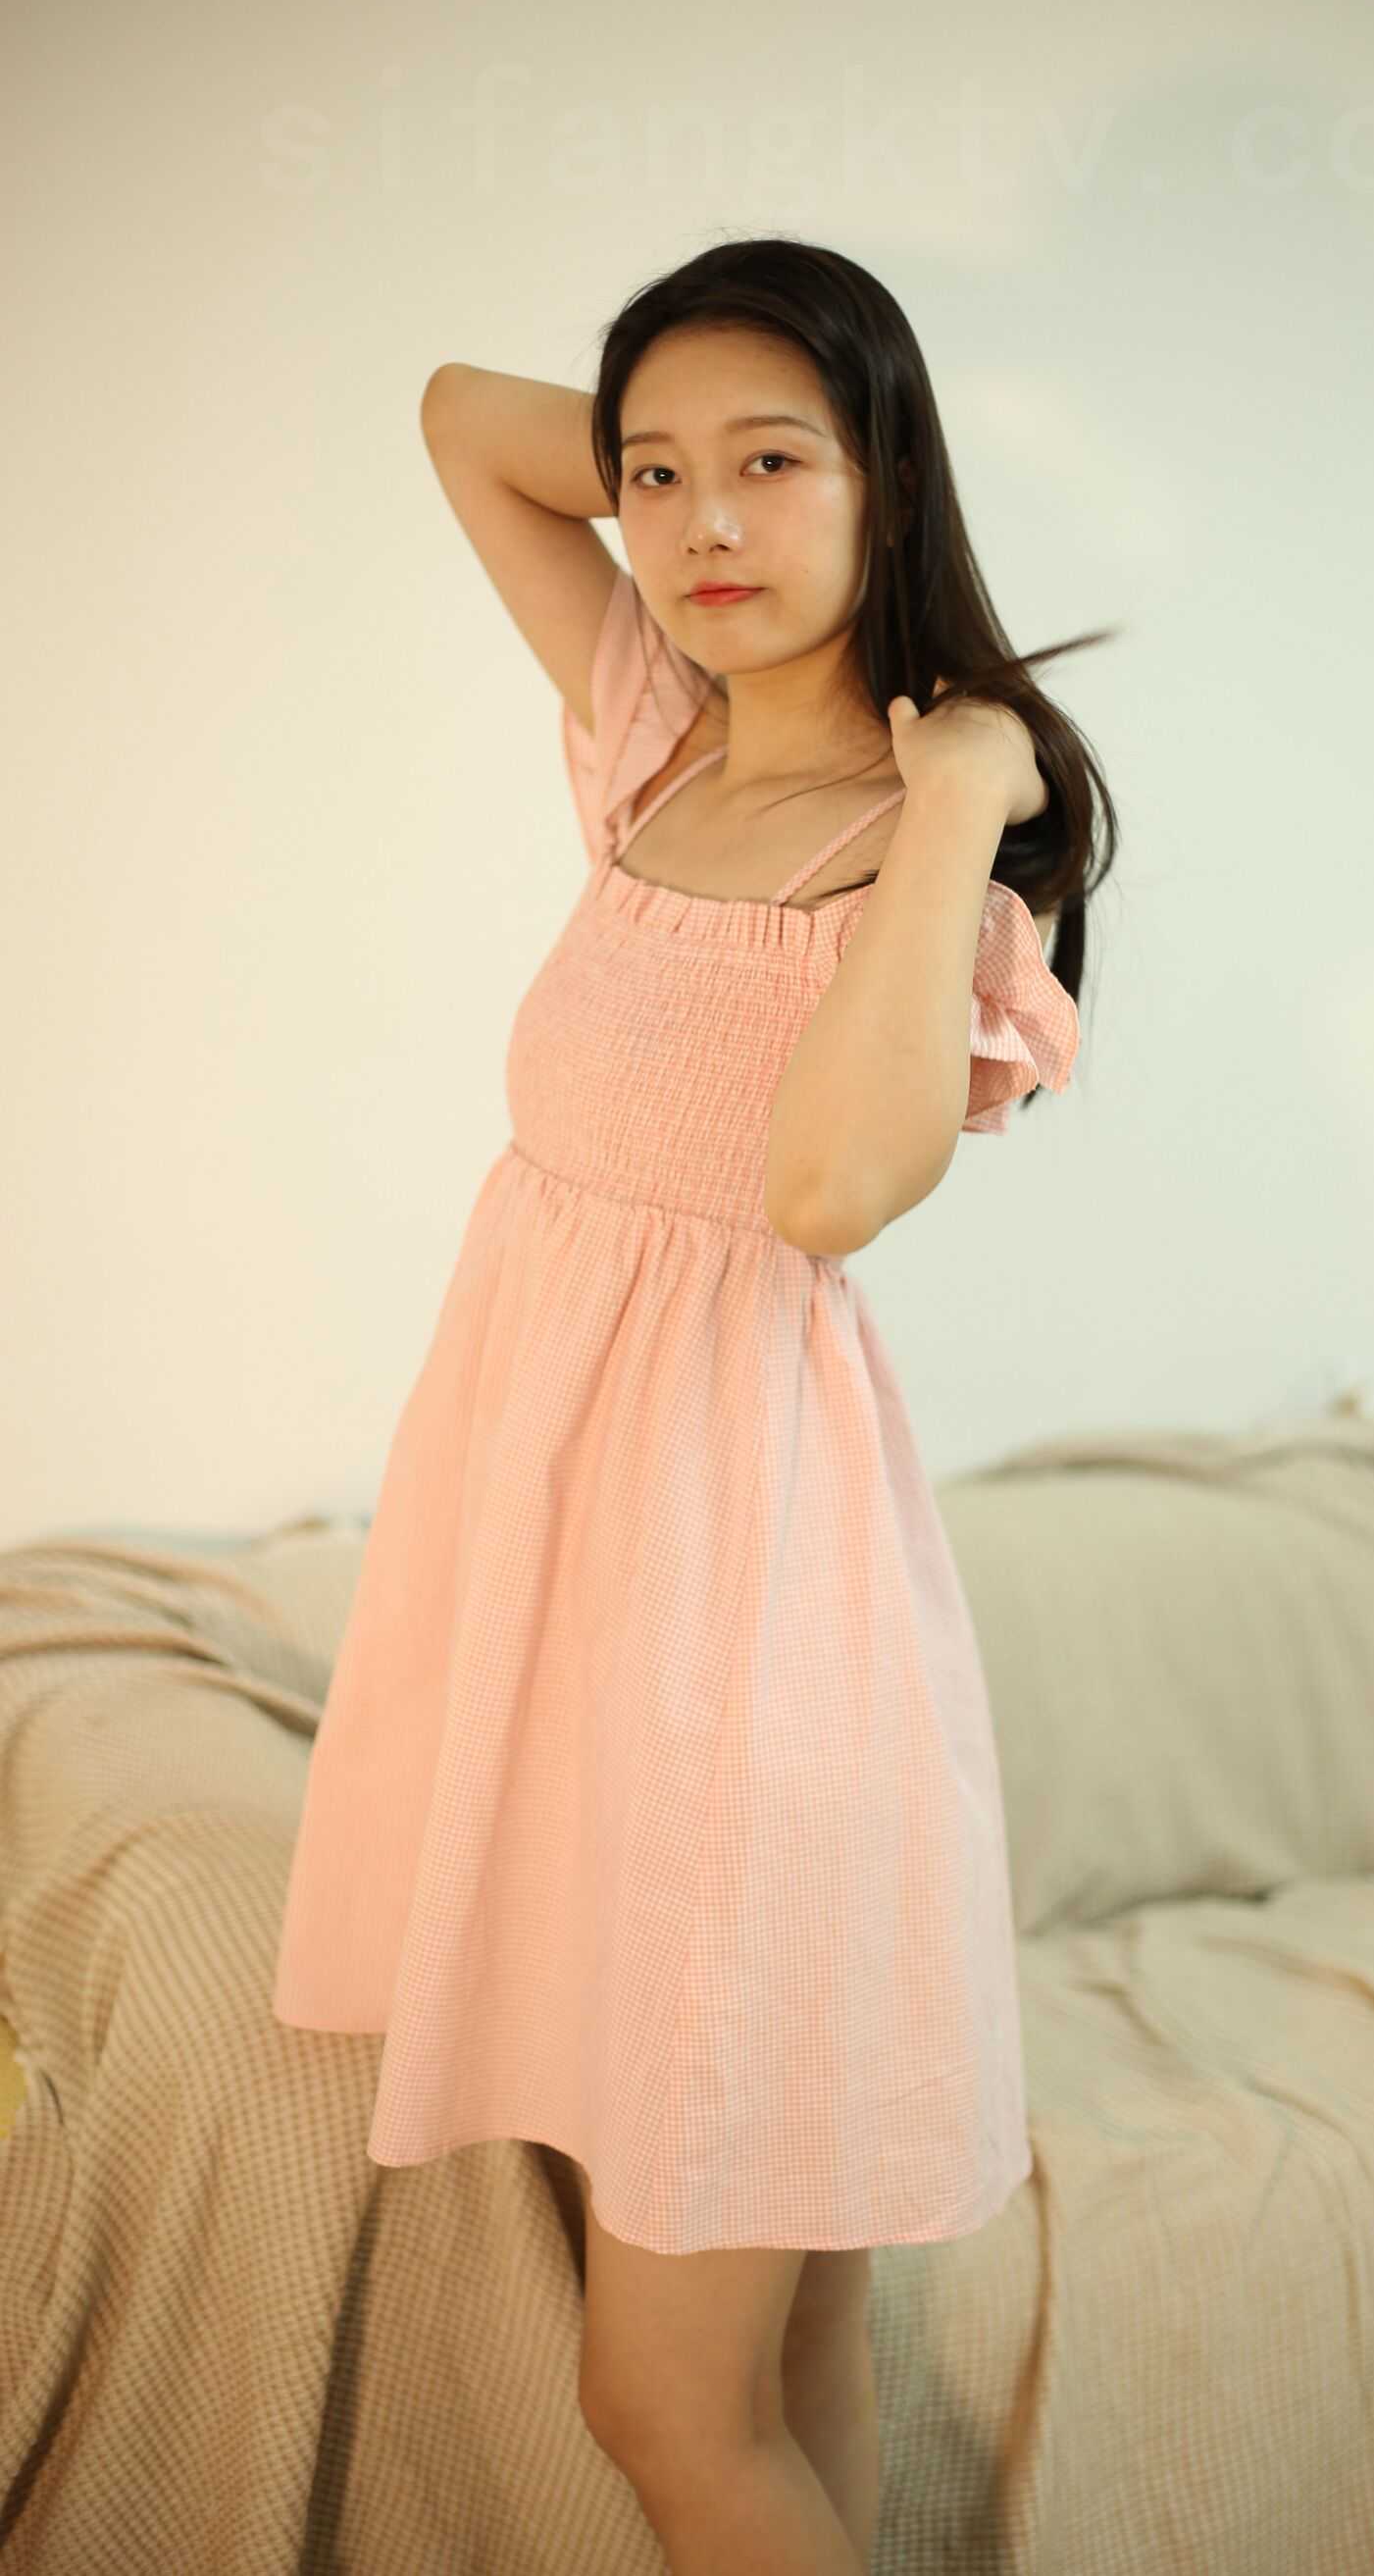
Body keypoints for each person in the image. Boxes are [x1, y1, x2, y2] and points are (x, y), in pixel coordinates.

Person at [272, 234, 1119, 2576]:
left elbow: (833, 1191)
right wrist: (692, 456)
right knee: (775, 2365)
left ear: (890, 478)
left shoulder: (919, 862)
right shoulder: (655, 744)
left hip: (741, 1672)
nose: (700, 524)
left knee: (657, 2403)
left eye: (774, 465)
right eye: (655, 476)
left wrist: (958, 790)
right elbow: (463, 414)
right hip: (574, 1631)